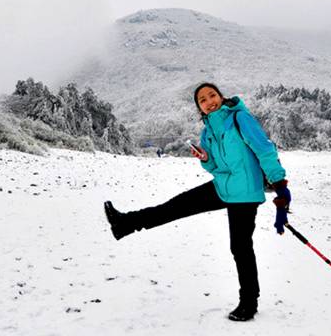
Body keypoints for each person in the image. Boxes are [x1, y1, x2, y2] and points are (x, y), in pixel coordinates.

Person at [103, 82, 291, 322]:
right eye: (203, 100)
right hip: (223, 187)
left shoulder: (239, 118)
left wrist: (280, 184)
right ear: (200, 108)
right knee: (174, 207)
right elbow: (216, 166)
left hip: (244, 194)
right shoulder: (208, 131)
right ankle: (125, 223)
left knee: (240, 247)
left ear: (221, 97)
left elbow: (264, 149)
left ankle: (249, 303)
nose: (209, 101)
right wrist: (205, 158)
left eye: (212, 95)